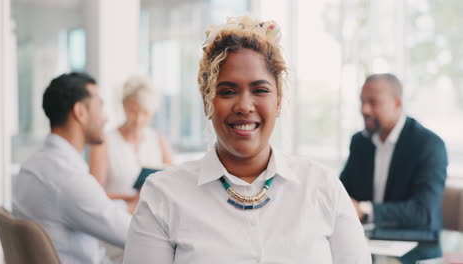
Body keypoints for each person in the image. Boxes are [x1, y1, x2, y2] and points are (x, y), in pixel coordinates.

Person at [123, 16, 371, 264]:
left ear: (279, 100)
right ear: (207, 101)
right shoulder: (163, 196)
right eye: (228, 91)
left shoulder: (322, 188)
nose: (244, 106)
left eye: (260, 90)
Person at [12, 72, 135, 264]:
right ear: (80, 112)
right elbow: (134, 235)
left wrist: (130, 206)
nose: (106, 118)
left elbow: (93, 206)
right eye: (100, 107)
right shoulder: (68, 178)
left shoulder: (34, 165)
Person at [340, 73, 448, 260]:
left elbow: (423, 212)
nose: (365, 109)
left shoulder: (428, 145)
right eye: (362, 101)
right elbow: (341, 192)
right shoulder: (360, 142)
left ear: (397, 104)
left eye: (373, 102)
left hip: (416, 252)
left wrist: (365, 210)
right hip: (366, 247)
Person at [89, 75, 172, 199]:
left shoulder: (158, 139)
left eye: (145, 113)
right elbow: (93, 195)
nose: (138, 120)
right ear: (124, 105)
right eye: (133, 111)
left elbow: (172, 182)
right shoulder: (105, 141)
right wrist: (132, 198)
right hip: (117, 214)